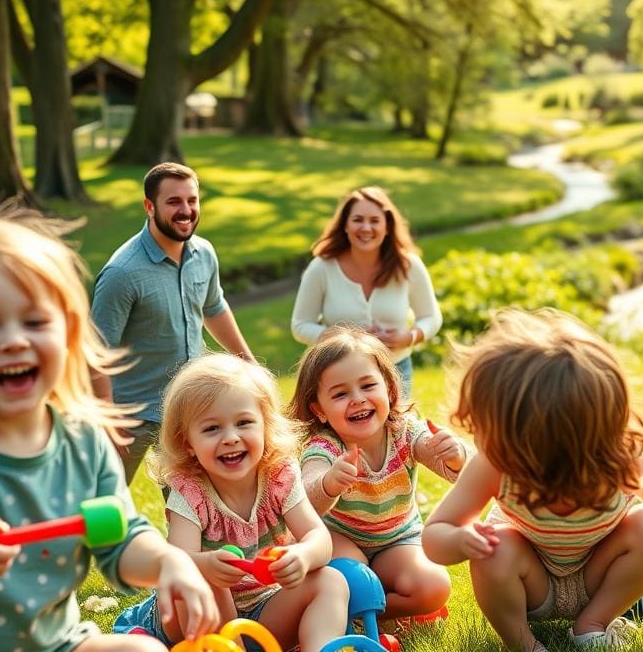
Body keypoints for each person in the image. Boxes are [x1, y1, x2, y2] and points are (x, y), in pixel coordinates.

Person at [0, 210, 219, 652]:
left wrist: (168, 562)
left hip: (58, 643)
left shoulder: (84, 444)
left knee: (144, 650)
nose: (14, 341)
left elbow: (120, 540)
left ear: (69, 337)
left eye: (35, 322)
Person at [422, 308, 643, 651]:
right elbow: (435, 535)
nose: (482, 441)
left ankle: (592, 626)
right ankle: (523, 644)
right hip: (531, 585)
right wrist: (461, 540)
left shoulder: (619, 458)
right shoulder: (496, 467)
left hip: (597, 579)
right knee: (495, 549)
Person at [114, 353, 349, 651]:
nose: (230, 438)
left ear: (265, 426)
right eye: (212, 428)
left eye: (244, 422)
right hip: (197, 621)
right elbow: (176, 559)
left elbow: (318, 537)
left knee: (331, 581)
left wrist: (303, 556)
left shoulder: (279, 476)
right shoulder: (191, 490)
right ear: (188, 442)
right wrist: (205, 564)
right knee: (200, 578)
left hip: (264, 609)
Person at [290, 327, 469, 622]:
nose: (357, 399)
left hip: (398, 540)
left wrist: (456, 456)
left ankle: (370, 613)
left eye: (368, 385)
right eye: (341, 394)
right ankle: (356, 603)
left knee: (435, 587)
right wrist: (328, 482)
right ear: (319, 410)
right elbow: (304, 497)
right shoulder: (324, 447)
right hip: (341, 539)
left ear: (390, 390)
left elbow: (460, 471)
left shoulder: (404, 432)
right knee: (352, 578)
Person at [92, 162, 254, 484]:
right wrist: (107, 418)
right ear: (149, 206)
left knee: (192, 502)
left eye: (192, 200)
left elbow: (214, 308)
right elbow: (98, 351)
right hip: (131, 414)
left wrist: (246, 359)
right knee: (105, 497)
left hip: (188, 406)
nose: (186, 210)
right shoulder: (122, 273)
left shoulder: (204, 254)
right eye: (174, 202)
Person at [291, 186, 441, 399]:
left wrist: (409, 337)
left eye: (374, 220)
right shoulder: (322, 267)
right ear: (345, 225)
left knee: (397, 422)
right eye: (358, 220)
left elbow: (431, 317)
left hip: (396, 370)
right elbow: (299, 325)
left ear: (387, 226)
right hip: (338, 375)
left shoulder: (408, 265)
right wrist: (340, 338)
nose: (366, 228)